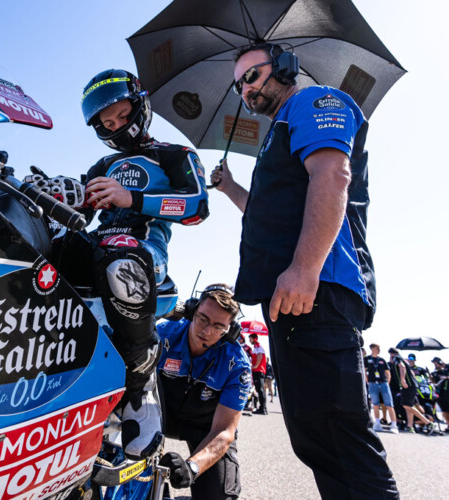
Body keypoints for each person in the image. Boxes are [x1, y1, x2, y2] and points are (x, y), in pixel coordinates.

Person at [210, 42, 399, 497]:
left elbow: (333, 175)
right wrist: (230, 187)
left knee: (340, 438)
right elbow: (267, 215)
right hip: (291, 298)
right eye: (238, 86)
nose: (245, 90)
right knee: (316, 438)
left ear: (285, 66)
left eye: (251, 76)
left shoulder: (315, 101)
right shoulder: (279, 134)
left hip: (317, 290)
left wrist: (304, 267)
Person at [40, 69, 210, 459]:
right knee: (45, 250)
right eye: (108, 122)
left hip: (146, 251)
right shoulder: (102, 164)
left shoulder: (175, 154)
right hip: (98, 246)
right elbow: (79, 212)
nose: (116, 126)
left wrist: (131, 198)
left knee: (121, 253)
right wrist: (59, 196)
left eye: (121, 115)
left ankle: (139, 386)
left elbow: (198, 207)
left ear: (140, 106)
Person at [155, 284, 251, 499]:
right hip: (157, 419)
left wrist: (192, 467)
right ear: (191, 311)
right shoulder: (163, 335)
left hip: (206, 429)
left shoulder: (237, 365)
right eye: (203, 319)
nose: (207, 331)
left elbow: (224, 431)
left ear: (230, 330)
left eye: (218, 327)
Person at [388, 347, 433, 433]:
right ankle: (410, 426)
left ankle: (428, 422)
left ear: (391, 353)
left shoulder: (397, 358)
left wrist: (403, 380)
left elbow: (402, 367)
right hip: (412, 385)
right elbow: (411, 372)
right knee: (409, 405)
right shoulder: (404, 360)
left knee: (406, 406)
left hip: (408, 385)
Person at [364, 343, 398, 433]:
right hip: (372, 383)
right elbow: (364, 370)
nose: (379, 350)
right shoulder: (367, 359)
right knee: (375, 404)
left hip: (383, 383)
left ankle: (394, 425)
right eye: (377, 348)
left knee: (389, 404)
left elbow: (388, 372)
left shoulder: (382, 360)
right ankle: (377, 423)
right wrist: (367, 381)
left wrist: (387, 383)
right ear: (372, 348)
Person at [248, 333, 267, 415]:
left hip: (258, 371)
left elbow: (260, 356)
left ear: (255, 339)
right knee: (260, 390)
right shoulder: (256, 347)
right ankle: (262, 408)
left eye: (250, 339)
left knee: (260, 390)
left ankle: (263, 409)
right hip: (258, 371)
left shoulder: (258, 347)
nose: (249, 341)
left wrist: (255, 366)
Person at [430, 357, 449, 427]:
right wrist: (430, 377)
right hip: (441, 393)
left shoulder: (447, 367)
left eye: (436, 363)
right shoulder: (435, 373)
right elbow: (435, 382)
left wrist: (446, 377)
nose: (435, 365)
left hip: (448, 392)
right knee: (444, 410)